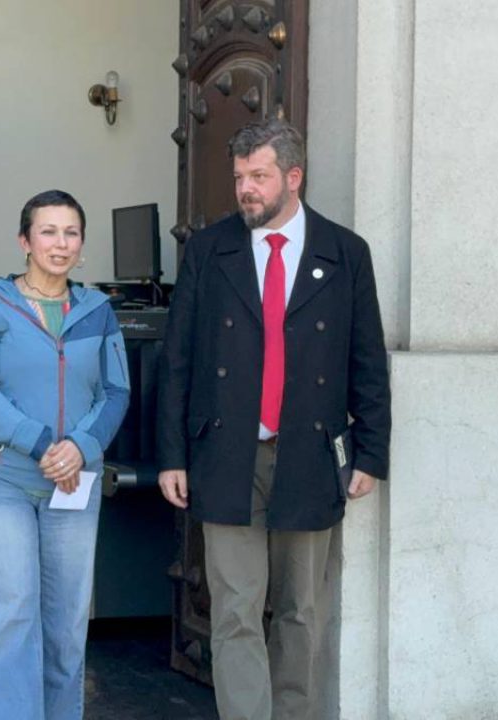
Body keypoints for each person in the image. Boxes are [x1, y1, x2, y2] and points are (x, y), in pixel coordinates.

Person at [156, 118, 391, 720]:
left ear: (293, 177)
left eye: (258, 176)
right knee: (235, 611)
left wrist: (371, 453)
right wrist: (172, 455)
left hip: (310, 456)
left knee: (299, 611)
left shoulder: (345, 253)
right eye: (239, 177)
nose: (245, 189)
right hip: (226, 453)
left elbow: (367, 360)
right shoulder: (209, 250)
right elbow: (178, 358)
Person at [0, 189, 130, 720]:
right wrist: (43, 446)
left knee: (66, 623)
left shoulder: (98, 311)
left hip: (73, 481)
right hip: (3, 479)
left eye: (71, 232)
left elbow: (116, 392)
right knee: (8, 614)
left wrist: (80, 448)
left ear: (82, 243)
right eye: (48, 231)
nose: (60, 243)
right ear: (24, 241)